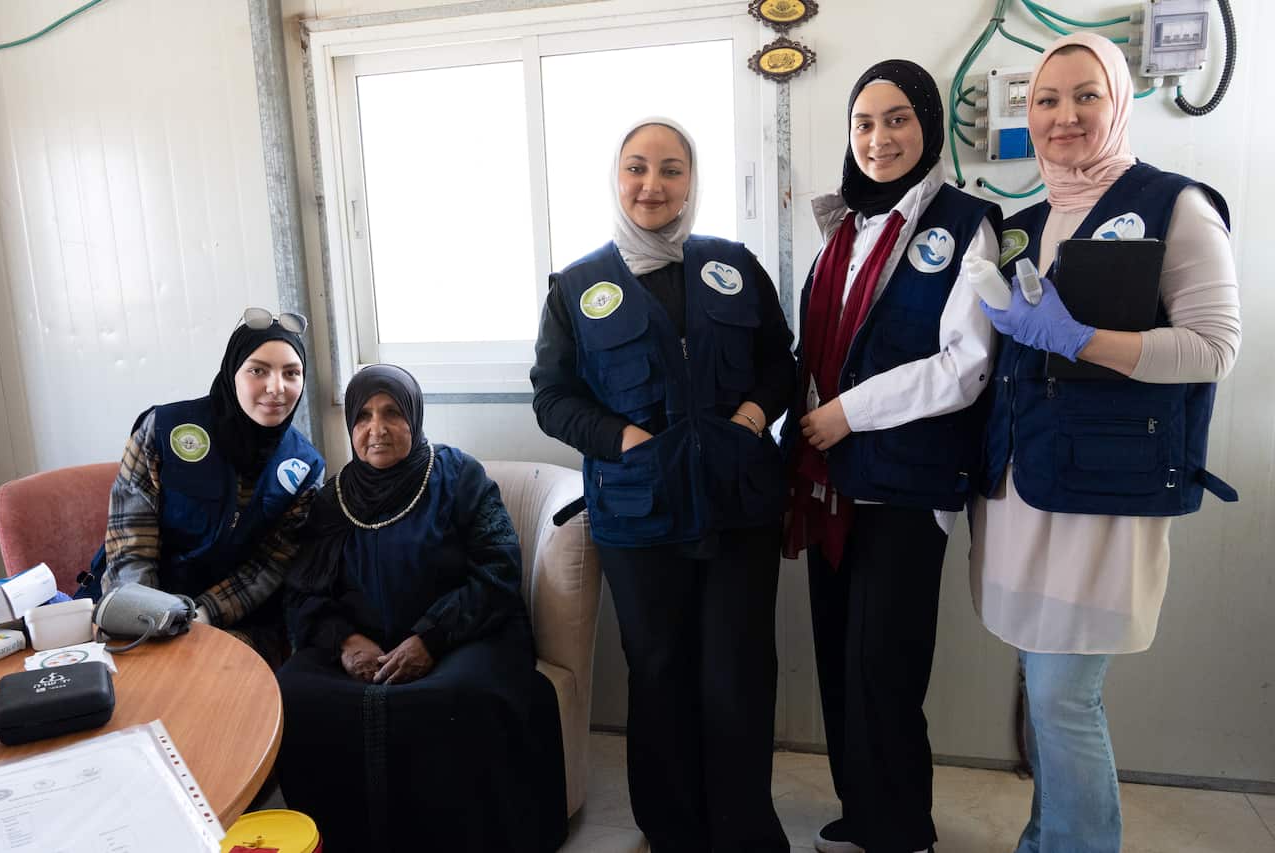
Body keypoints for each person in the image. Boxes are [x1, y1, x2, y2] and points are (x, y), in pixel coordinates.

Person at [971, 32, 1241, 853]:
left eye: (1085, 95)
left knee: (1064, 697)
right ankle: (1046, 835)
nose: (1063, 116)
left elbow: (1213, 347)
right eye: (1046, 100)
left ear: (1120, 101)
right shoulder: (1022, 222)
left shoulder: (1175, 204)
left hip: (1105, 498)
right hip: (1023, 488)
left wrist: (1077, 338)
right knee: (1039, 683)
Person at [531, 118, 795, 852]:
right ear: (616, 179)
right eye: (638, 168)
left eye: (672, 169)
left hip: (738, 508)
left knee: (737, 678)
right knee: (660, 675)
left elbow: (782, 359)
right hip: (639, 515)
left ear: (691, 181)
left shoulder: (733, 265)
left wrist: (753, 411)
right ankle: (673, 831)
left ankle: (743, 831)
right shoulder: (577, 287)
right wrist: (623, 439)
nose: (653, 185)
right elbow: (552, 396)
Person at [781, 61, 1002, 853]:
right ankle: (861, 810)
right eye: (863, 123)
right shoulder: (842, 229)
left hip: (907, 486)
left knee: (887, 667)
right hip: (833, 483)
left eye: (898, 119)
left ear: (930, 127)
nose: (879, 138)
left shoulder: (965, 222)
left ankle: (903, 827)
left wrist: (847, 413)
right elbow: (818, 352)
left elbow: (964, 362)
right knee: (842, 658)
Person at [277, 364, 567, 853]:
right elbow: (302, 593)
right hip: (363, 646)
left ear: (414, 415)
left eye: (392, 412)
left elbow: (498, 569)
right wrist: (345, 643)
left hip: (464, 635)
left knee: (457, 698)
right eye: (364, 416)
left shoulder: (458, 476)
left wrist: (431, 637)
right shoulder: (333, 500)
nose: (378, 429)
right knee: (295, 693)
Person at [93, 308, 325, 665]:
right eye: (258, 370)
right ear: (233, 373)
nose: (276, 387)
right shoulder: (161, 431)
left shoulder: (305, 468)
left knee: (214, 683)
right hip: (136, 606)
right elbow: (131, 543)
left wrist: (200, 616)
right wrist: (148, 617)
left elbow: (269, 567)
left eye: (291, 373)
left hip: (231, 619)